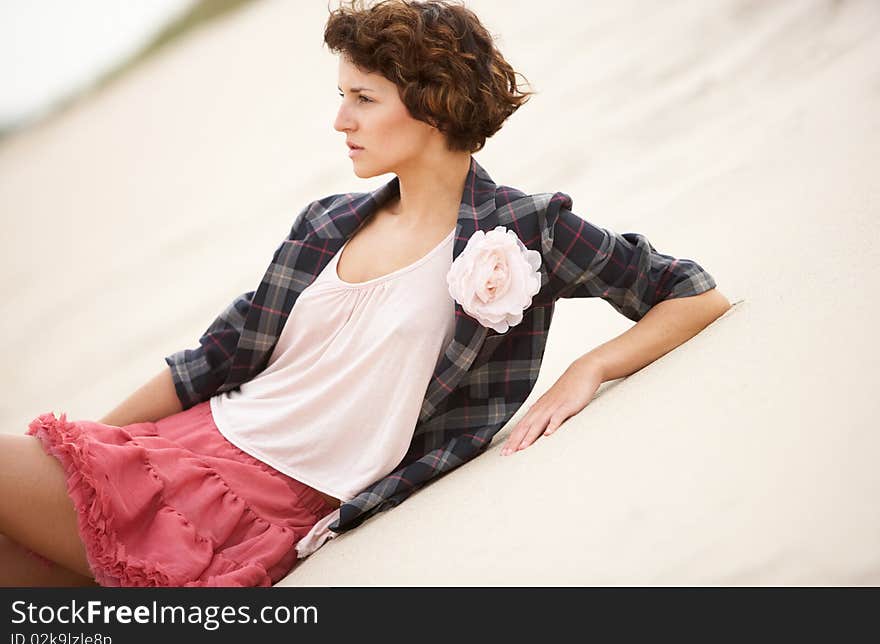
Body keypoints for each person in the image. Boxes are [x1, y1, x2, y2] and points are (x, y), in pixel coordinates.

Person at [0, 0, 731, 587]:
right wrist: (91, 451)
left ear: (434, 105)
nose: (340, 119)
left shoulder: (523, 230)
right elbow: (215, 357)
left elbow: (690, 293)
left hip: (261, 507)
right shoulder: (326, 223)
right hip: (181, 450)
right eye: (341, 96)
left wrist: (588, 368)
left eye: (362, 97)